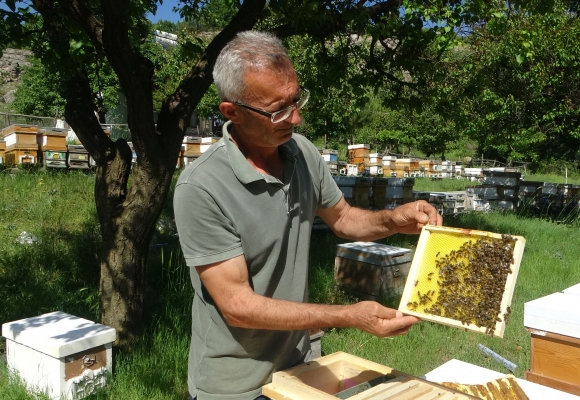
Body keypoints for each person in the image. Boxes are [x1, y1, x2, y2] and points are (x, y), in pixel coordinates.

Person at [174, 30, 443, 400]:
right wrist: (348, 316)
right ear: (231, 112)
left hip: (298, 365)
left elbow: (344, 217)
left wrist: (392, 218)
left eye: (297, 101)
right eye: (279, 110)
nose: (296, 119)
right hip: (233, 384)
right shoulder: (201, 188)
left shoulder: (301, 152)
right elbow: (237, 306)